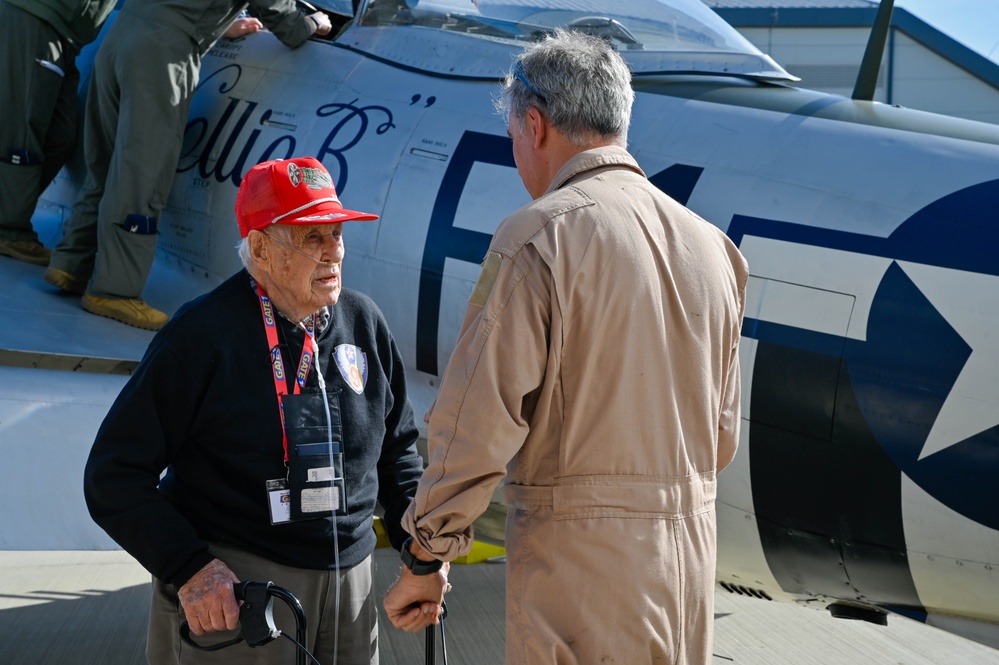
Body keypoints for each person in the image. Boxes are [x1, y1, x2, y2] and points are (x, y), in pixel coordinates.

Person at [383, 29, 749, 664]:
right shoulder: (712, 246)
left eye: (515, 137)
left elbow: (476, 417)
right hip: (686, 562)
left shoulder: (538, 236)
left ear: (536, 124)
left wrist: (426, 551)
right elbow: (720, 439)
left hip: (580, 568)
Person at [84, 156, 431, 664]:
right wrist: (191, 569)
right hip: (239, 596)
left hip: (350, 589)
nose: (332, 251)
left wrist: (421, 554)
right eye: (311, 237)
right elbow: (113, 475)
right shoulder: (202, 334)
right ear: (262, 248)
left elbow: (398, 451)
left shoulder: (363, 323)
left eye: (336, 233)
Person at [43, 0, 333, 331]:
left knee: (104, 162)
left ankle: (71, 263)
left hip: (121, 38)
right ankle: (113, 290)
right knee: (143, 173)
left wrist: (220, 23)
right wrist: (312, 23)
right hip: (162, 54)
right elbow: (285, 21)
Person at [0, 0, 116, 266]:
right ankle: (8, 231)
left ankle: (9, 219)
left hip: (64, 30)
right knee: (22, 135)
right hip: (40, 14)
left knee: (61, 136)